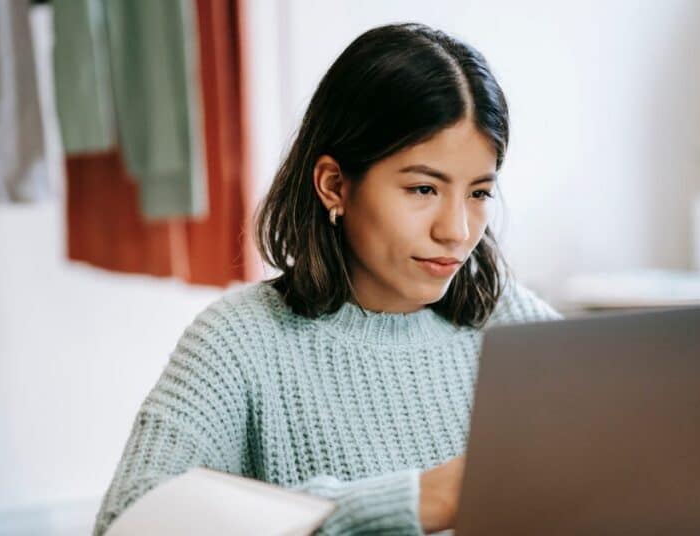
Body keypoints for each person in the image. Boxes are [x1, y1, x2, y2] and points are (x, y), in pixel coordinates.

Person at [93, 22, 561, 536]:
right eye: (424, 189)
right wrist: (413, 500)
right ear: (334, 185)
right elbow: (129, 522)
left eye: (478, 193)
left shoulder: (508, 318)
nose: (456, 230)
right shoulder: (240, 342)